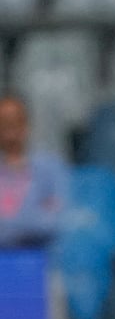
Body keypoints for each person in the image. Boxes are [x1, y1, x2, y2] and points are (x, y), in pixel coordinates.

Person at [0, 94, 70, 248]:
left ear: (26, 124)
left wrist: (7, 222)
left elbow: (56, 222)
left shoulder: (51, 168)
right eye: (4, 122)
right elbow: (40, 221)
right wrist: (32, 215)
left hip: (40, 256)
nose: (9, 128)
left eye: (15, 120)